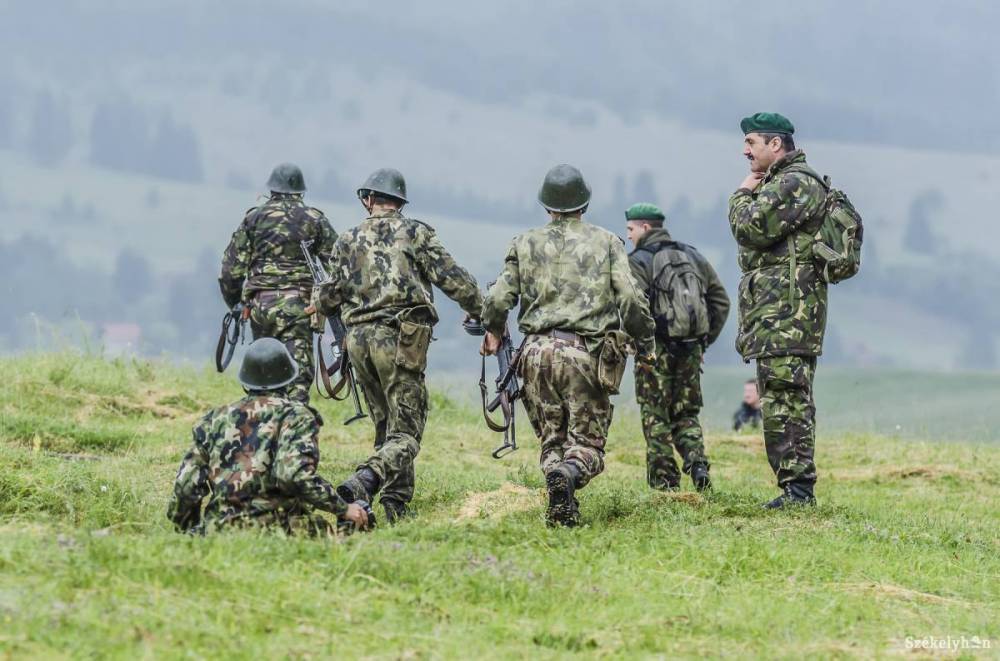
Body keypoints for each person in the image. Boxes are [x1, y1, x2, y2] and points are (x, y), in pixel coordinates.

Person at [480, 164, 656, 527]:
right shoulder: (608, 242)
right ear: (585, 203)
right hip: (584, 354)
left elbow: (498, 299)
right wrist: (645, 341)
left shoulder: (523, 243)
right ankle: (570, 476)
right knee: (587, 445)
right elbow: (631, 301)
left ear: (547, 205)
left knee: (552, 442)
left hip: (533, 354)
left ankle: (562, 507)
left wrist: (494, 329)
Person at [311, 168, 483, 524]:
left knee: (386, 425)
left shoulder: (348, 239)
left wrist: (319, 302)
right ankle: (366, 479)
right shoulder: (416, 233)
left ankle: (394, 505)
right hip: (401, 339)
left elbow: (329, 295)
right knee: (407, 431)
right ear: (399, 202)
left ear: (369, 199)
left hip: (357, 341)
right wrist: (484, 312)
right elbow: (454, 280)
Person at [728, 112, 829, 508]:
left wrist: (741, 193)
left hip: (788, 315)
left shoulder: (793, 183)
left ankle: (798, 490)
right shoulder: (784, 182)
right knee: (782, 396)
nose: (745, 150)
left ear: (776, 144)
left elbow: (749, 226)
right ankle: (794, 488)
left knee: (786, 398)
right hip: (781, 313)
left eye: (751, 142)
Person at [167, 338, 370, 535]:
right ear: (289, 378)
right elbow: (293, 475)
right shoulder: (296, 415)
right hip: (279, 530)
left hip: (219, 529)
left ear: (245, 380)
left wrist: (188, 531)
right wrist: (343, 508)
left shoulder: (214, 419)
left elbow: (186, 485)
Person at [625, 202, 729, 491]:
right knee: (686, 414)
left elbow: (634, 308)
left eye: (631, 229)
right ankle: (697, 464)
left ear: (646, 227)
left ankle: (665, 482)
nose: (629, 236)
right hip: (691, 349)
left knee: (655, 414)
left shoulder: (639, 261)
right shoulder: (693, 255)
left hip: (654, 352)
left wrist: (641, 345)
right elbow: (720, 301)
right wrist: (703, 342)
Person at [219, 163, 337, 403]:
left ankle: (264, 427)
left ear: (271, 189)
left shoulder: (253, 219)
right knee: (297, 377)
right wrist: (329, 303)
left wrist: (236, 303)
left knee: (265, 372)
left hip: (260, 307)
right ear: (300, 192)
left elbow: (230, 271)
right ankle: (295, 429)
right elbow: (338, 266)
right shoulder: (314, 219)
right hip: (299, 307)